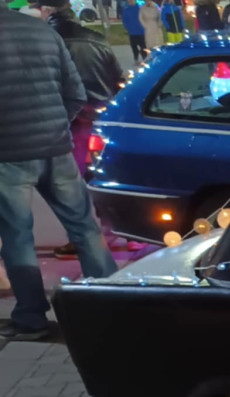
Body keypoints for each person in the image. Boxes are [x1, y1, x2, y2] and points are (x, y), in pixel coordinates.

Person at [0, 7, 119, 340]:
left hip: (9, 154)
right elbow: (76, 93)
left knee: (17, 237)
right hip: (57, 148)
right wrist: (55, 127)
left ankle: (31, 317)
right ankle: (112, 302)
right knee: (85, 228)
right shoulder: (43, 31)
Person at [31, 0, 126, 259]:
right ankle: (114, 232)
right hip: (102, 116)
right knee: (103, 177)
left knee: (68, 184)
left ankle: (82, 240)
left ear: (46, 11)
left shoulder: (49, 39)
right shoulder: (96, 38)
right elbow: (117, 78)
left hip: (69, 120)